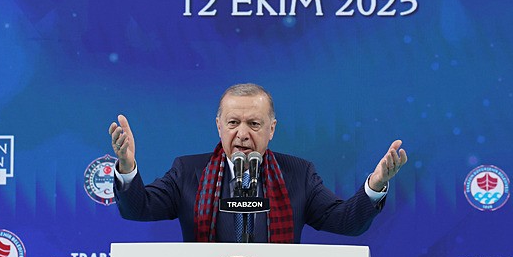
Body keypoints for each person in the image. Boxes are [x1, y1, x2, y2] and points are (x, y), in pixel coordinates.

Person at [108, 83, 407, 243]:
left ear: (271, 129)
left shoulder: (298, 174)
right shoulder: (187, 172)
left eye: (254, 123)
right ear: (219, 126)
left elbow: (346, 223)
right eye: (233, 123)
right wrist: (127, 167)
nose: (242, 134)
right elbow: (138, 209)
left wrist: (375, 185)